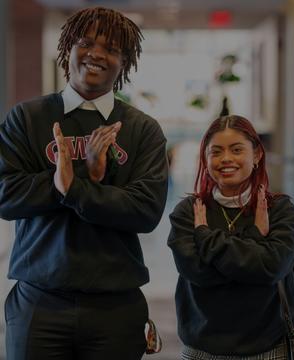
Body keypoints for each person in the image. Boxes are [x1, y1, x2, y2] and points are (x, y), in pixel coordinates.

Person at [0, 7, 168, 360]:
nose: (96, 53)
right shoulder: (27, 118)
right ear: (67, 49)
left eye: (110, 48)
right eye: (86, 42)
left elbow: (145, 211)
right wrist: (70, 181)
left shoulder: (141, 129)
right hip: (39, 301)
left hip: (116, 305)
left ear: (125, 62)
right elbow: (6, 195)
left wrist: (76, 189)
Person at [168, 115, 294, 359]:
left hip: (268, 348)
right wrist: (254, 238)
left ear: (257, 155)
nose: (226, 159)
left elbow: (272, 267)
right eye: (216, 151)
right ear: (205, 159)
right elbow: (198, 272)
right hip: (202, 349)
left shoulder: (279, 210)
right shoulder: (189, 211)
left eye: (237, 149)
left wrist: (205, 237)